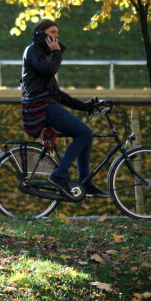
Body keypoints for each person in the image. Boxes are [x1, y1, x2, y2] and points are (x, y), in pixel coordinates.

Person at [20, 18, 107, 199]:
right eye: (53, 33)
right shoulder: (33, 51)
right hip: (42, 107)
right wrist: (57, 53)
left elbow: (58, 93)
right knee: (84, 133)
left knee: (85, 135)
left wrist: (86, 106)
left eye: (57, 33)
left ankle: (85, 183)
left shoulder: (42, 55)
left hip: (47, 104)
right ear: (41, 34)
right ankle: (59, 176)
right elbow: (49, 70)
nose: (56, 36)